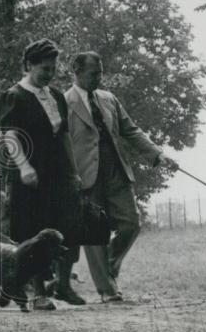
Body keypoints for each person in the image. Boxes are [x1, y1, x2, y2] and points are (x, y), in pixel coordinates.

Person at [61, 51, 178, 303]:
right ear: (77, 71)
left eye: (101, 73)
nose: (99, 78)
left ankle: (109, 268)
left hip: (116, 170)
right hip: (84, 176)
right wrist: (67, 177)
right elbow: (58, 144)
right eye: (94, 73)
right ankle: (107, 289)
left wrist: (157, 155)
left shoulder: (109, 99)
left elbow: (131, 130)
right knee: (93, 233)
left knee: (131, 223)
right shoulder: (64, 102)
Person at [0, 39, 82, 310]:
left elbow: (64, 134)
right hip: (31, 170)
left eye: (53, 68)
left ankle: (63, 285)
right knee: (33, 231)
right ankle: (36, 293)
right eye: (44, 68)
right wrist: (23, 166)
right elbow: (9, 136)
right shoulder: (15, 95)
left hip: (57, 169)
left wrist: (73, 171)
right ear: (29, 66)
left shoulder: (56, 96)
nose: (49, 73)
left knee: (65, 225)